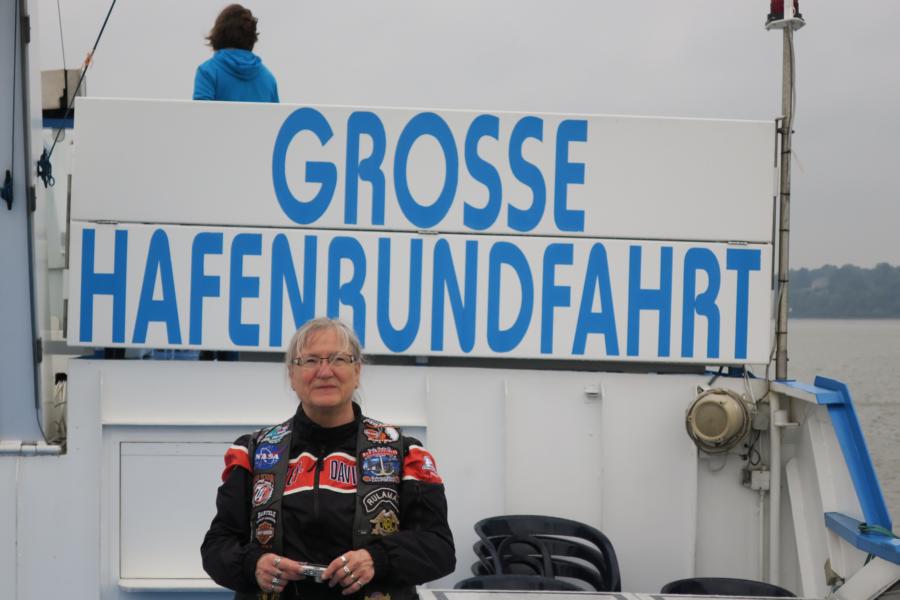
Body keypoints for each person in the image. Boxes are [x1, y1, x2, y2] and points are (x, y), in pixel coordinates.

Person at [201, 317, 455, 600]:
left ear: (357, 371)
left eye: (338, 359)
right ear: (292, 375)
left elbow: (439, 548)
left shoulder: (403, 452)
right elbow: (216, 547)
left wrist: (377, 560)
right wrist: (254, 565)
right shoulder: (253, 452)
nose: (324, 371)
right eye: (310, 361)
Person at [193, 4, 279, 102]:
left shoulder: (208, 72)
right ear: (251, 37)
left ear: (219, 34)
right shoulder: (269, 79)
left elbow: (201, 111)